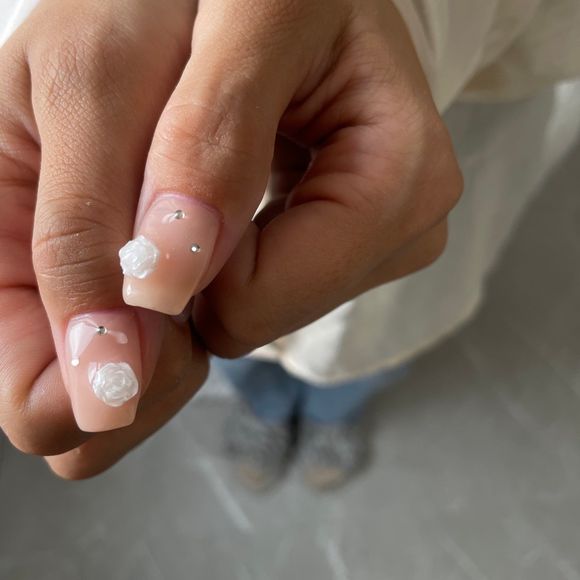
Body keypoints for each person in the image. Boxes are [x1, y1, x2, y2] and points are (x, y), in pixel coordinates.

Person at [0, 0, 578, 485]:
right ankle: (266, 410)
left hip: (455, 103)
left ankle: (333, 414)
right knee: (229, 346)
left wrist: (407, 16)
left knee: (376, 341)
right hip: (161, 128)